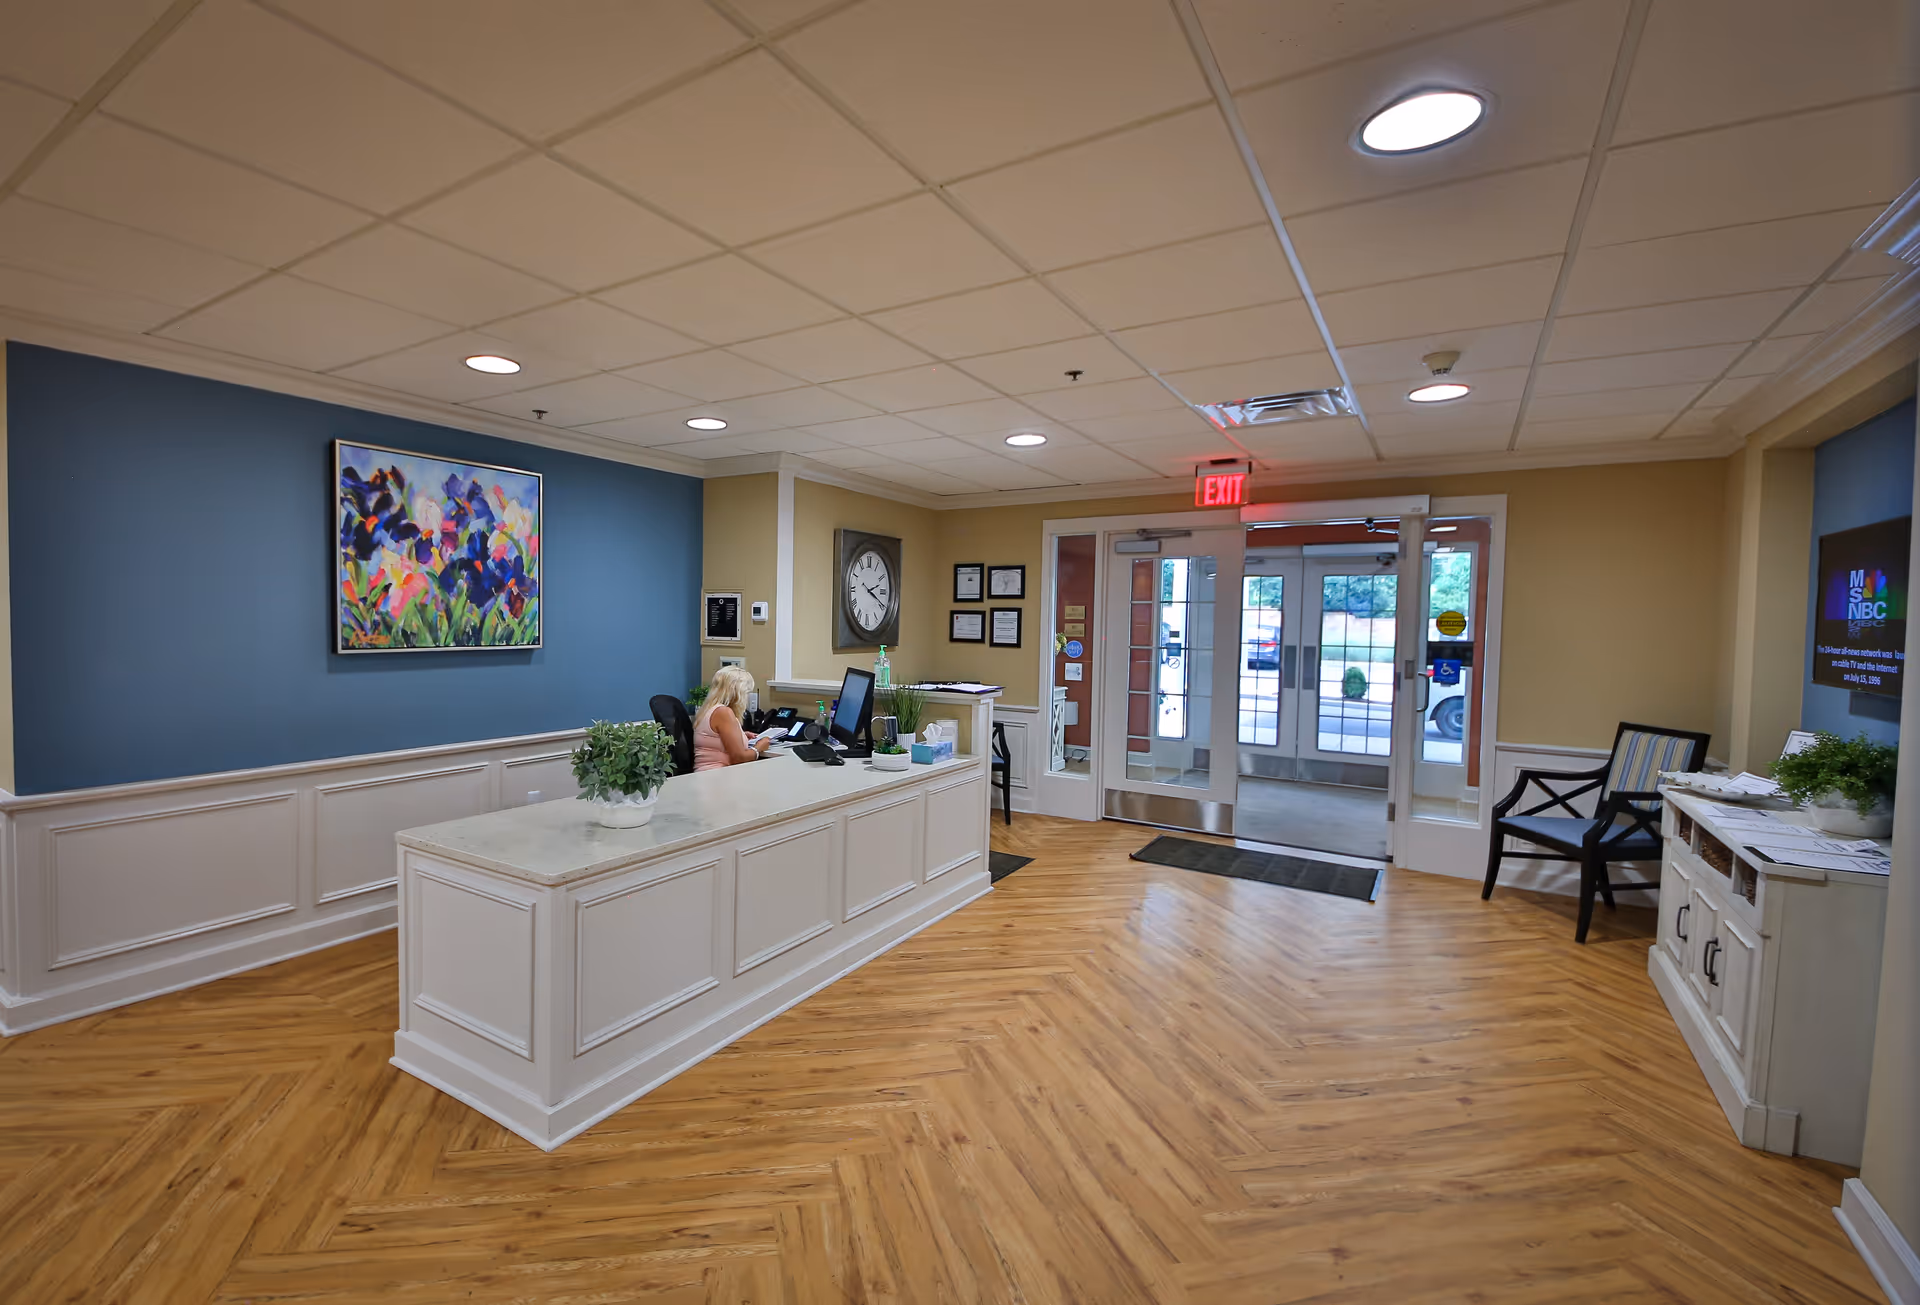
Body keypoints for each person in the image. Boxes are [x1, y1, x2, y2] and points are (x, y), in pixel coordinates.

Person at [692, 665, 773, 771]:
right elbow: (739, 759)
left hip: (707, 774)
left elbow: (715, 740)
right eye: (746, 693)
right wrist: (759, 747)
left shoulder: (708, 709)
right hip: (717, 777)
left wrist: (741, 735)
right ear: (738, 693)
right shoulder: (723, 712)